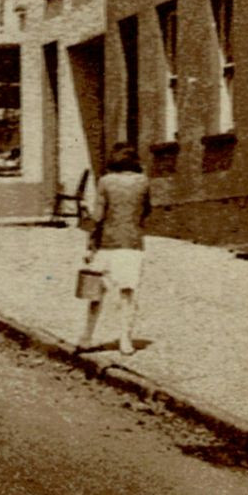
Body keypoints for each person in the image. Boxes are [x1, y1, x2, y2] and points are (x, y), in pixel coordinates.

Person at [79, 143, 153, 355]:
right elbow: (147, 210)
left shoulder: (105, 182)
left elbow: (97, 217)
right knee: (128, 294)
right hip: (132, 244)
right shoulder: (143, 182)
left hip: (106, 244)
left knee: (95, 293)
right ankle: (125, 341)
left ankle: (86, 338)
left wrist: (89, 246)